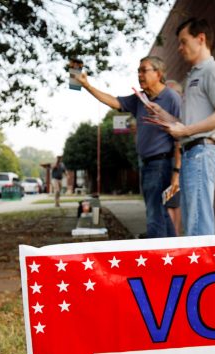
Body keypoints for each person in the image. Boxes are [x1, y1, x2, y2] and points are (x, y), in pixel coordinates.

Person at [145, 18, 215, 236]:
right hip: (191, 153)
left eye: (184, 42)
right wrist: (163, 114)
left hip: (201, 152)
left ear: (201, 39)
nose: (180, 48)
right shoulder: (193, 76)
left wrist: (185, 131)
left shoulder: (212, 70)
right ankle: (201, 269)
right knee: (192, 224)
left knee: (198, 225)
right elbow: (186, 124)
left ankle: (207, 270)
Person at [77, 56, 180, 238]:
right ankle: (173, 254)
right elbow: (114, 101)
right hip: (146, 164)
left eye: (144, 70)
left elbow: (181, 135)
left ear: (159, 73)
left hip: (161, 163)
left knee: (155, 214)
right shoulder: (140, 98)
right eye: (138, 71)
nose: (139, 75)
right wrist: (88, 86)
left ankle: (157, 258)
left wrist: (176, 172)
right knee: (159, 211)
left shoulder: (172, 98)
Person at [164, 79, 183, 236]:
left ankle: (174, 241)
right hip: (168, 164)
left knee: (171, 205)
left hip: (174, 166)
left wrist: (176, 172)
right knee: (169, 204)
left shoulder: (178, 117)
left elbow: (179, 144)